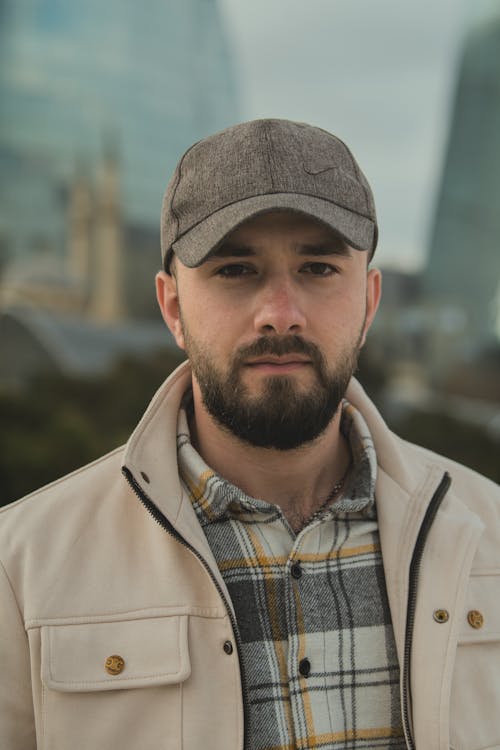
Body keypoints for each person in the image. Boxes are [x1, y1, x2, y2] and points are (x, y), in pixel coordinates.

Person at [0, 119, 499, 750]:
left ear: (370, 303)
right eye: (236, 270)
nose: (280, 314)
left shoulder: (489, 539)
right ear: (173, 307)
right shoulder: (20, 571)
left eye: (318, 268)